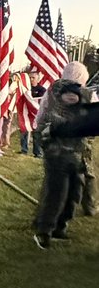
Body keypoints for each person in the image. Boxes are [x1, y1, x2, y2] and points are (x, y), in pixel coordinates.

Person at [33, 64, 92, 249]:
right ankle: (45, 232)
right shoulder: (53, 93)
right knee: (57, 193)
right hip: (57, 153)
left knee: (73, 192)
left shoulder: (87, 95)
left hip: (76, 152)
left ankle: (60, 228)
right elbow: (42, 119)